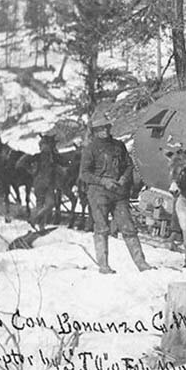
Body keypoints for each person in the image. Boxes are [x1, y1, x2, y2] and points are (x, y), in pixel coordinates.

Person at [78, 110, 152, 273]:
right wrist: (103, 181)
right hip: (99, 194)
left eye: (106, 127)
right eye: (100, 129)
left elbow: (128, 165)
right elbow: (84, 174)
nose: (104, 131)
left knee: (128, 228)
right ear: (95, 131)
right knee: (102, 228)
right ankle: (103, 265)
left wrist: (125, 178)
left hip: (119, 194)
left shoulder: (119, 145)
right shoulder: (90, 149)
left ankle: (141, 263)